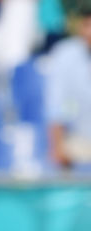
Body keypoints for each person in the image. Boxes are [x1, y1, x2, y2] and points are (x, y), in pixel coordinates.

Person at [45, 5, 91, 169]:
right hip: (78, 141)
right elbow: (58, 108)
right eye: (87, 25)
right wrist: (57, 148)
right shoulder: (65, 54)